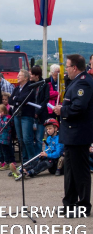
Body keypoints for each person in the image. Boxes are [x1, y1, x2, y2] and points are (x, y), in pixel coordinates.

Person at [54, 54, 93, 218]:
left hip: (78, 134)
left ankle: (83, 205)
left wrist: (61, 110)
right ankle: (69, 203)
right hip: (71, 134)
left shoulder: (83, 82)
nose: (66, 70)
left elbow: (79, 107)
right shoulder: (77, 81)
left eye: (68, 66)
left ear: (75, 67)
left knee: (80, 172)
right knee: (69, 171)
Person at [9, 70, 36, 163]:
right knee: (20, 139)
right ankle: (25, 160)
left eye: (19, 75)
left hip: (26, 115)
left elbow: (23, 99)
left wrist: (16, 99)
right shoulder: (16, 89)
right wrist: (17, 100)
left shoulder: (30, 87)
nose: (17, 77)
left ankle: (32, 160)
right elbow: (10, 100)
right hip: (17, 115)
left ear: (26, 77)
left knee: (27, 139)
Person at [30, 66, 50, 154]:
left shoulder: (45, 85)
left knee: (39, 138)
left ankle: (38, 156)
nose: (30, 76)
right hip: (30, 114)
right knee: (30, 138)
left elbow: (45, 100)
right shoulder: (31, 85)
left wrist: (37, 112)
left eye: (32, 74)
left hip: (41, 115)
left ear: (37, 76)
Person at [0, 104, 14, 171]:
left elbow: (5, 126)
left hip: (5, 136)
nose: (0, 114)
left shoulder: (7, 117)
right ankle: (1, 162)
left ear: (5, 111)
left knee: (5, 150)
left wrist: (1, 119)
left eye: (1, 112)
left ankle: (6, 162)